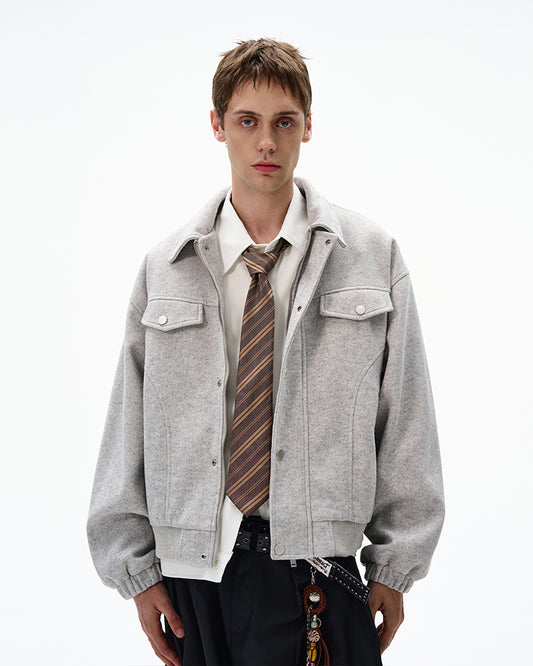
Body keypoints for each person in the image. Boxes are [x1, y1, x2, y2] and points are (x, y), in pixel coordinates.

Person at [87, 38, 444, 666]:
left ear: (308, 125)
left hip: (321, 570)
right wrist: (136, 571)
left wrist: (395, 563)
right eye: (247, 121)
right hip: (199, 571)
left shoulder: (370, 257)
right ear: (217, 125)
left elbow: (406, 417)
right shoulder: (166, 268)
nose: (266, 143)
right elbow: (129, 423)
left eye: (284, 122)